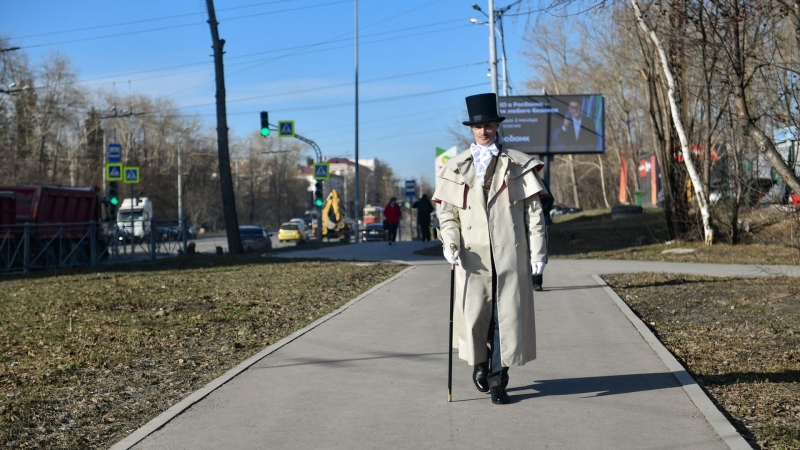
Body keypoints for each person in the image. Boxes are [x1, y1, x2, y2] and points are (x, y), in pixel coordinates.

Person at [433, 92, 548, 405]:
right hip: (473, 258)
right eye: (478, 125)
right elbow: (448, 215)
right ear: (471, 129)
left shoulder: (518, 164)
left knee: (505, 319)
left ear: (497, 126)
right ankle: (480, 365)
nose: (484, 130)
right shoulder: (455, 168)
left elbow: (534, 216)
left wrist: (538, 254)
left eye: (489, 124)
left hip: (511, 256)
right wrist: (450, 243)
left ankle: (499, 380)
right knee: (477, 318)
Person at [532, 178, 554, 291]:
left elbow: (549, 199)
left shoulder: (538, 180)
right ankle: (534, 282)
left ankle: (536, 282)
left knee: (537, 248)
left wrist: (540, 212)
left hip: (535, 221)